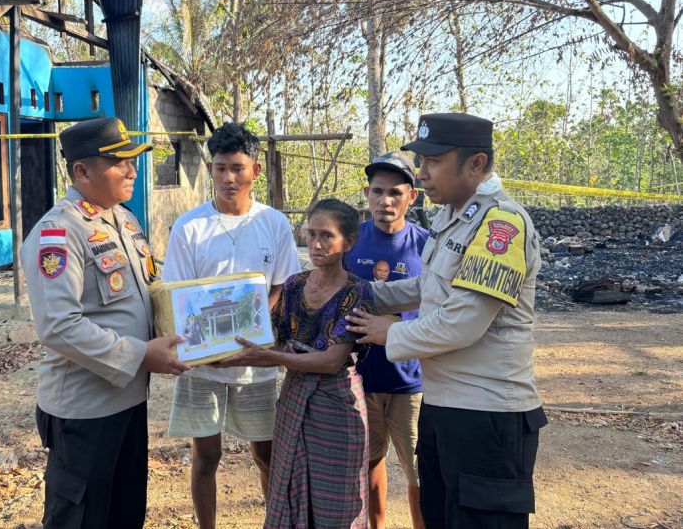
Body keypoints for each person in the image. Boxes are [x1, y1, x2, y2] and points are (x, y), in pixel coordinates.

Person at [347, 112, 548, 529]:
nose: (422, 173)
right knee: (440, 518)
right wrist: (358, 295)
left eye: (433, 162)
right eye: (422, 162)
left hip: (487, 414)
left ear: (475, 163)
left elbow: (463, 322)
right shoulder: (452, 218)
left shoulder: (501, 225)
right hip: (445, 407)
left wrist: (390, 333)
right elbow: (426, 290)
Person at [21, 117, 191, 529]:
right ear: (82, 171)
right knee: (80, 518)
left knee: (124, 511)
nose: (132, 171)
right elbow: (59, 326)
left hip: (129, 398)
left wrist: (196, 333)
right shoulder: (58, 233)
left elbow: (148, 292)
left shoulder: (125, 220)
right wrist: (140, 354)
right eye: (120, 163)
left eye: (132, 162)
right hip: (85, 410)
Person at [162, 122, 300, 529]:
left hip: (257, 362)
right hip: (203, 365)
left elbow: (283, 286)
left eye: (237, 168)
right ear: (209, 169)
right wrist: (211, 350)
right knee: (206, 456)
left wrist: (255, 336)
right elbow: (180, 296)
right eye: (220, 168)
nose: (228, 178)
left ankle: (275, 522)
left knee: (267, 454)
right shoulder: (190, 226)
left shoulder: (274, 224)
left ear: (255, 171)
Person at [218, 198, 372, 528]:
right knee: (290, 489)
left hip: (337, 405)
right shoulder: (294, 285)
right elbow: (272, 339)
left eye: (327, 236)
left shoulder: (356, 292)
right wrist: (221, 353)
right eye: (311, 233)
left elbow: (332, 361)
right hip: (294, 399)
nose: (316, 244)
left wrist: (267, 357)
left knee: (338, 503)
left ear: (349, 241)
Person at [345, 151, 428, 529]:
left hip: (409, 380)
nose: (385, 201)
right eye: (377, 192)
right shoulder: (349, 243)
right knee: (369, 463)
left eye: (395, 192)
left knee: (421, 473)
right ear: (367, 193)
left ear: (412, 197)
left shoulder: (428, 246)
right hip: (360, 379)